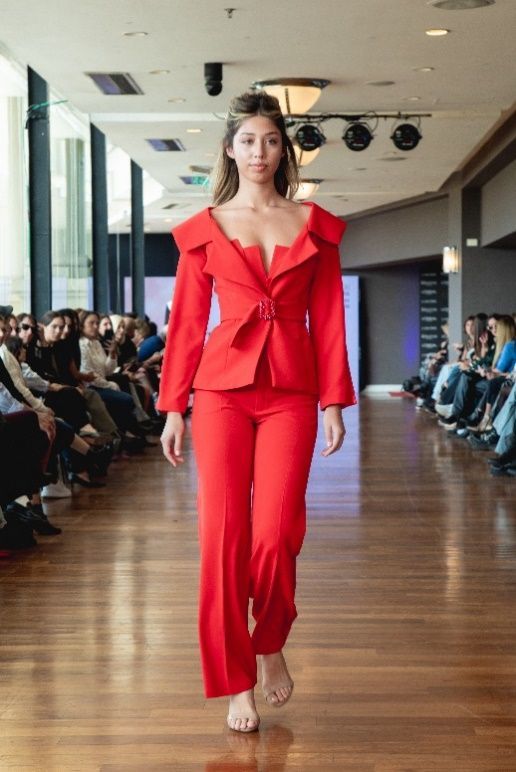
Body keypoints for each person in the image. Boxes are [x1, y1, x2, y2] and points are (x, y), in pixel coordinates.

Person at [158, 91, 356, 733]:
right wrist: (173, 407)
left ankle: (269, 642)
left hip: (292, 393)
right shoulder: (205, 226)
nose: (260, 152)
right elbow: (187, 324)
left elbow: (328, 317)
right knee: (221, 537)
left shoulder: (314, 224)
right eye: (248, 141)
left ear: (284, 150)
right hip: (219, 393)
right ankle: (236, 680)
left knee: (275, 534)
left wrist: (334, 401)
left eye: (271, 141)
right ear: (230, 149)